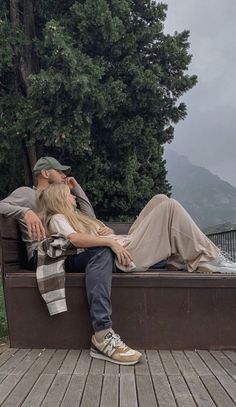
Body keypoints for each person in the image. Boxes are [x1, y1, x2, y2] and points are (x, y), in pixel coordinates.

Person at [0, 156, 142, 366]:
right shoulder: (26, 194)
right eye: (61, 171)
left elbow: (90, 218)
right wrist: (26, 211)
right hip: (43, 253)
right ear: (46, 173)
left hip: (67, 249)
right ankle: (103, 334)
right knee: (102, 250)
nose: (65, 175)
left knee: (103, 249)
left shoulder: (62, 197)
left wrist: (77, 189)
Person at [39, 183, 236, 275]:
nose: (74, 197)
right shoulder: (57, 218)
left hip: (126, 243)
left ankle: (183, 259)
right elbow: (74, 239)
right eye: (70, 194)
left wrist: (106, 231)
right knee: (170, 206)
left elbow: (89, 217)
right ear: (59, 199)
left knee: (161, 198)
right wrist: (109, 242)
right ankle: (212, 258)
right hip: (127, 255)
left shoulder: (76, 217)